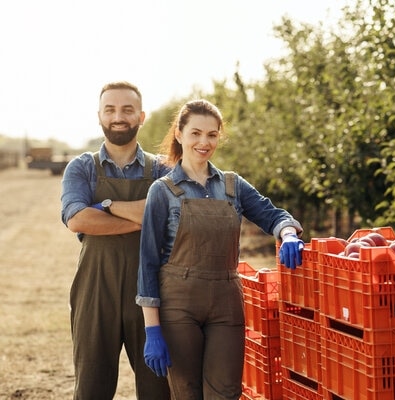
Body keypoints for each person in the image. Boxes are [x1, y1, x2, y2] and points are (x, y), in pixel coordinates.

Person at [136, 99, 304, 399]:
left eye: (212, 135)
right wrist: (152, 329)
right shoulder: (162, 191)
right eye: (196, 133)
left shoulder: (232, 186)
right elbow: (148, 262)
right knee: (187, 392)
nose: (204, 142)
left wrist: (288, 233)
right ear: (179, 134)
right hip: (179, 304)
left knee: (226, 392)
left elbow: (272, 214)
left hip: (226, 301)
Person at [60, 81, 171, 399]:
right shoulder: (82, 168)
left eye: (127, 109)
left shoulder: (163, 169)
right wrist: (146, 220)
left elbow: (173, 217)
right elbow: (78, 219)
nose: (118, 117)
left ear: (142, 116)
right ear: (99, 116)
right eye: (110, 110)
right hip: (96, 292)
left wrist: (108, 210)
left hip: (152, 293)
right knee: (92, 388)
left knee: (158, 389)